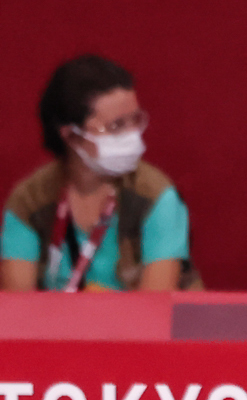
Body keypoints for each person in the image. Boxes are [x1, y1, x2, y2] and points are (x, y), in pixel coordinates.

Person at [4, 54, 197, 292]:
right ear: (72, 136)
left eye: (134, 120)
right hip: (55, 328)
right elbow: (19, 307)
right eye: (116, 126)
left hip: (138, 327)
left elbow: (155, 310)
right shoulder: (28, 201)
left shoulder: (157, 195)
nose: (132, 135)